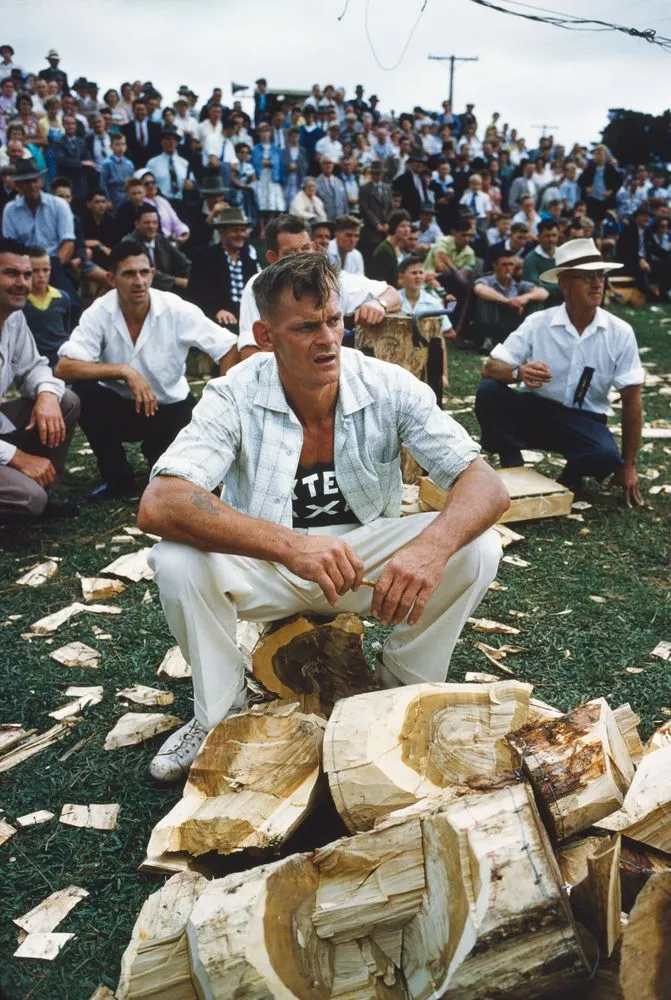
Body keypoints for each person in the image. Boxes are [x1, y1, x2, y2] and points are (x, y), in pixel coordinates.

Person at [138, 251, 507, 781]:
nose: (327, 339)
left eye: (333, 321)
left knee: (477, 548)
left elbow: (486, 485)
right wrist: (292, 546)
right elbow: (160, 501)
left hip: (359, 560)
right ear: (266, 337)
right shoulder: (234, 393)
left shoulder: (387, 384)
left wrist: (430, 548)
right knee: (174, 560)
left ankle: (401, 688)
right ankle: (216, 715)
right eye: (306, 327)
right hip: (269, 563)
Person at [55, 240, 236, 501]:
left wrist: (220, 399)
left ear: (152, 274)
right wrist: (124, 371)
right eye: (129, 274)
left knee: (170, 478)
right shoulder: (100, 311)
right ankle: (116, 476)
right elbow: (65, 367)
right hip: (117, 405)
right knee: (84, 392)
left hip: (169, 406)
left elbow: (229, 347)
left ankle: (157, 452)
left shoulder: (176, 308)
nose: (138, 281)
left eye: (144, 272)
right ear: (111, 278)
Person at [475, 237, 643, 506]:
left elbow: (632, 400)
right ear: (564, 285)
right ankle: (512, 464)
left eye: (600, 275)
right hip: (536, 410)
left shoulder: (620, 333)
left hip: (585, 420)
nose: (597, 283)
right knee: (490, 392)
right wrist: (519, 372)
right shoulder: (538, 322)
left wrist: (629, 465)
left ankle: (571, 476)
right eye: (586, 277)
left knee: (606, 455)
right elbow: (490, 368)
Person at [237, 214, 401, 361]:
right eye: (291, 253)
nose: (301, 258)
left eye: (305, 248)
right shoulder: (258, 286)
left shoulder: (331, 278)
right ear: (273, 258)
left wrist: (379, 304)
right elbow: (250, 352)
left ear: (314, 248)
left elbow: (392, 294)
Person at [0, 237, 79, 519]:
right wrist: (18, 458)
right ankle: (31, 495)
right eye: (11, 273)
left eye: (27, 274)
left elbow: (34, 366)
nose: (23, 282)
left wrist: (46, 394)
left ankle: (44, 492)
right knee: (27, 499)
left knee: (65, 400)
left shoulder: (13, 317)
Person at [2, 157, 76, 294]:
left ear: (41, 182)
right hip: (23, 266)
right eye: (26, 182)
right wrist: (27, 270)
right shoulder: (10, 210)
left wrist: (48, 269)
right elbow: (9, 246)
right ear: (18, 186)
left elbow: (68, 244)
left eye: (35, 180)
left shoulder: (59, 205)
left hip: (53, 264)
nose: (32, 186)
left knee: (71, 302)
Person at [189, 207, 259, 329]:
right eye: (235, 230)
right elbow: (196, 292)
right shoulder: (205, 258)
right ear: (222, 233)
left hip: (246, 319)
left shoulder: (249, 263)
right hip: (216, 319)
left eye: (243, 230)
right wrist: (216, 310)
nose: (240, 235)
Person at [471, 245, 549, 353]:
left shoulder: (518, 284)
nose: (508, 268)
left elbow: (543, 293)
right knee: (485, 299)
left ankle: (532, 339)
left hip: (511, 325)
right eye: (504, 265)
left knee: (536, 300)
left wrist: (523, 298)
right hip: (491, 326)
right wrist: (508, 302)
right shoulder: (486, 280)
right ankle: (488, 340)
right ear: (495, 265)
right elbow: (479, 289)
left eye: (511, 265)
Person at [121, 204, 190, 294]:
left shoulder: (159, 238)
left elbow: (183, 261)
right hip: (141, 289)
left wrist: (192, 277)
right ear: (137, 224)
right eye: (147, 223)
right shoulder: (128, 243)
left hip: (167, 289)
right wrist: (179, 281)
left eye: (155, 223)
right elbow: (148, 273)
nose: (151, 226)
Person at [22, 244, 71, 369]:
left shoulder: (62, 297)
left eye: (45, 270)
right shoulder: (20, 301)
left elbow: (66, 327)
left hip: (61, 359)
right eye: (35, 270)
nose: (41, 275)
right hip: (33, 361)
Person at [144, 124, 192, 203]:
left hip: (181, 201)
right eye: (167, 139)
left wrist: (190, 185)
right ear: (161, 142)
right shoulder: (152, 163)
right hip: (161, 202)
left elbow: (191, 182)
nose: (171, 142)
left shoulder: (184, 163)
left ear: (177, 143)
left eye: (174, 140)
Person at [522, 218, 562, 303]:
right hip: (541, 305)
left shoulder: (564, 255)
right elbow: (534, 287)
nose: (551, 239)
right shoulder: (531, 259)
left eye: (554, 235)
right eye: (547, 236)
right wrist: (561, 286)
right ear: (539, 237)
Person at [369, 209, 411, 286]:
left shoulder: (399, 246)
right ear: (394, 227)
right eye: (402, 226)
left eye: (408, 226)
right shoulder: (384, 250)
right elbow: (389, 282)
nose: (407, 230)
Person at [121, 99, 162, 168]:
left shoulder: (156, 127)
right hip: (132, 164)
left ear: (146, 110)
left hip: (152, 164)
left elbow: (158, 147)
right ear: (133, 111)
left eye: (142, 109)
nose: (140, 112)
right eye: (137, 110)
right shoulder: (125, 128)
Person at [100, 132, 135, 212]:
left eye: (123, 144)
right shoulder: (107, 164)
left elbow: (132, 183)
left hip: (127, 198)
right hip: (113, 198)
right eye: (117, 144)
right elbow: (103, 184)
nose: (121, 148)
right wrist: (107, 200)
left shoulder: (129, 164)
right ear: (111, 146)